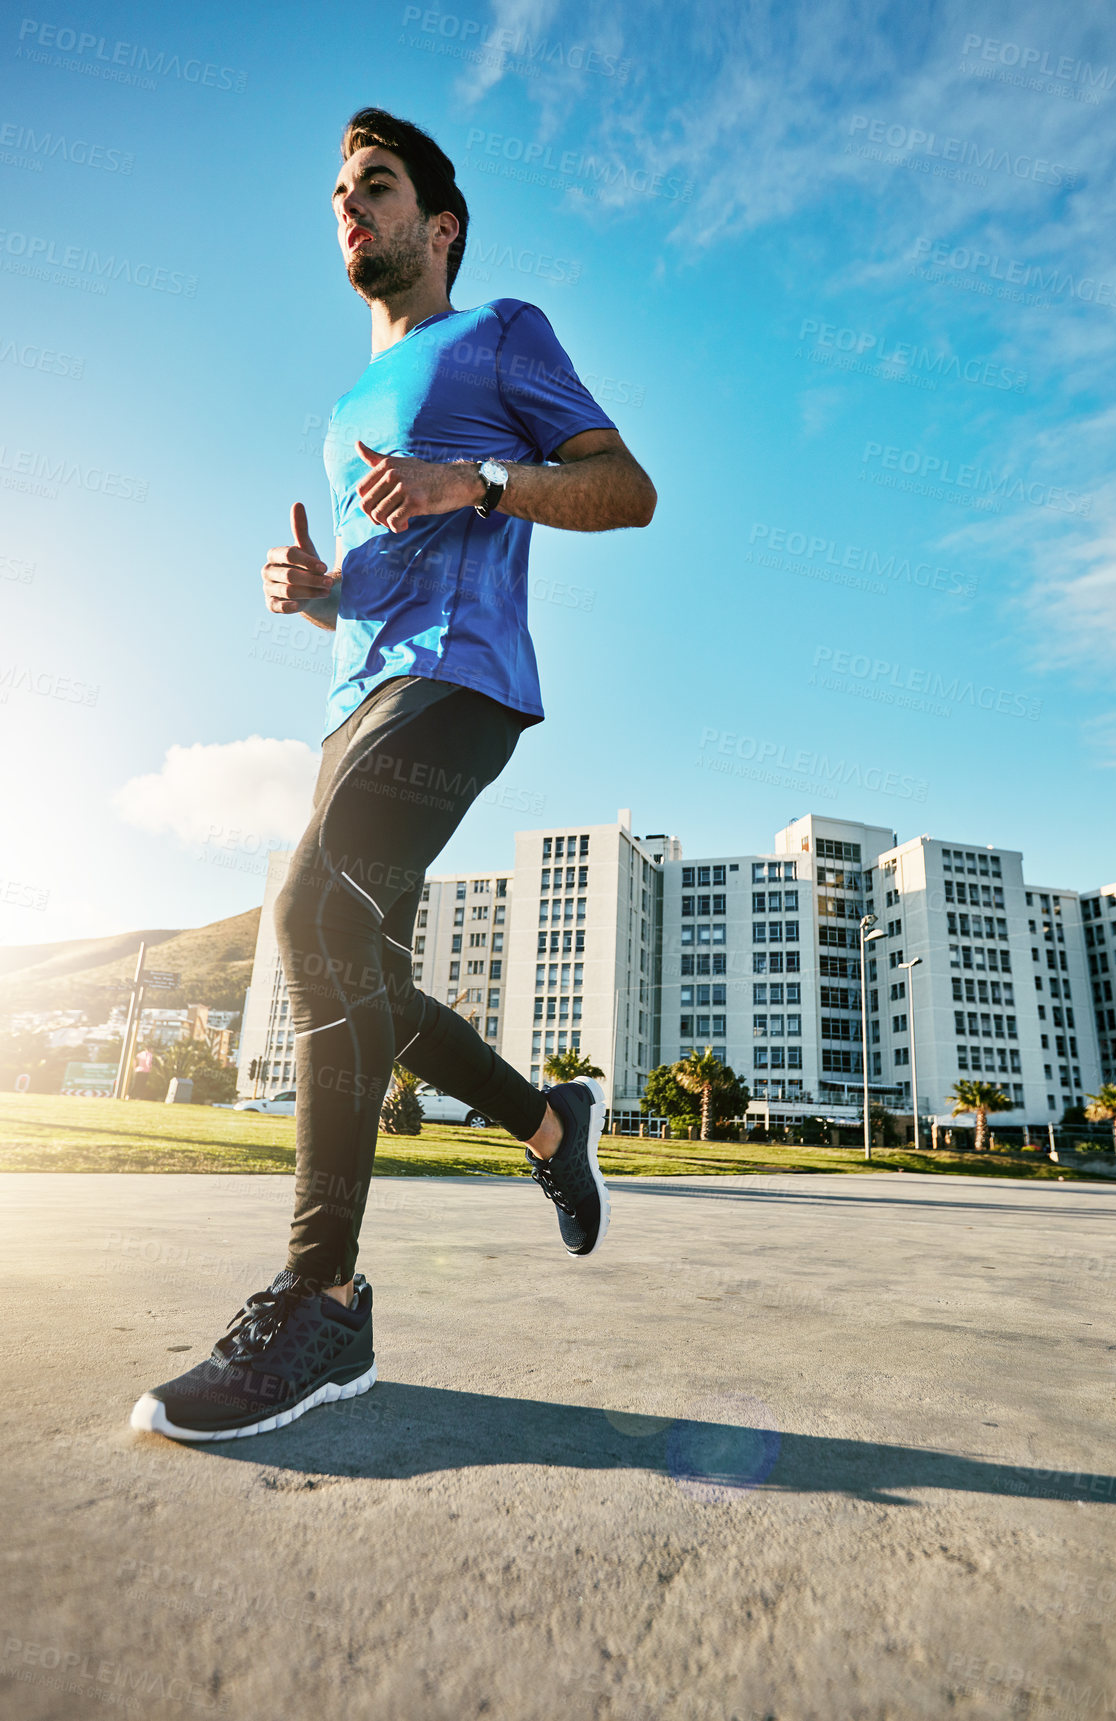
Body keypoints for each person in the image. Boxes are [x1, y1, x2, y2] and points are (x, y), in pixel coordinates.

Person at [130, 108, 655, 1442]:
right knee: (354, 966)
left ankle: (322, 1301)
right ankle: (547, 1123)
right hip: (355, 697)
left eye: (376, 185)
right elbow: (379, 573)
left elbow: (626, 489)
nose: (348, 206)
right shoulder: (338, 414)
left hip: (462, 681)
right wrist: (315, 595)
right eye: (338, 194)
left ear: (441, 225)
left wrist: (476, 477)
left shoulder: (498, 336)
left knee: (312, 914)